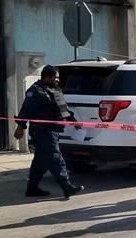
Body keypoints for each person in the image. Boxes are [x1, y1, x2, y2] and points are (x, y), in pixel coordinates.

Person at [14, 65, 84, 198]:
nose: (57, 80)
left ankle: (32, 188)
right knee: (55, 157)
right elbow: (25, 111)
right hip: (42, 131)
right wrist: (20, 128)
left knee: (40, 161)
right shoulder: (35, 91)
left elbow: (63, 108)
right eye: (55, 77)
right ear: (46, 76)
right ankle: (66, 186)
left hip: (54, 129)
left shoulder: (55, 90)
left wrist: (73, 121)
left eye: (58, 77)